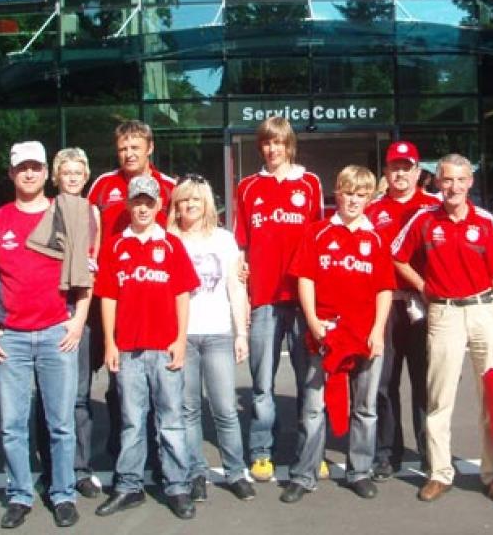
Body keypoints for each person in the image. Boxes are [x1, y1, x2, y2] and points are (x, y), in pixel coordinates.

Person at [0, 141, 89, 529]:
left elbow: (86, 275)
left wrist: (77, 322)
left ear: (45, 173)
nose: (30, 173)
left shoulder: (65, 215)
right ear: (11, 173)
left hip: (57, 333)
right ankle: (20, 495)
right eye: (22, 168)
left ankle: (63, 494)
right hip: (13, 338)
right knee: (12, 425)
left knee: (61, 423)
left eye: (36, 167)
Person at [391, 154, 493, 506]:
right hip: (444, 314)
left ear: (470, 182)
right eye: (447, 180)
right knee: (438, 398)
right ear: (436, 182)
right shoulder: (425, 220)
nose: (453, 187)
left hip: (483, 312)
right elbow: (397, 256)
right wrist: (423, 286)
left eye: (460, 180)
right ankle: (440, 473)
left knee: (491, 398)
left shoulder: (485, 221)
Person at [281, 165, 394, 504]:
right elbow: (306, 279)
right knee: (314, 408)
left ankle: (359, 471)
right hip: (326, 332)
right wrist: (313, 320)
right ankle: (304, 475)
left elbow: (384, 289)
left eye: (361, 195)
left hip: (364, 334)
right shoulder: (316, 233)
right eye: (348, 193)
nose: (353, 200)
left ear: (369, 197)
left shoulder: (375, 238)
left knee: (365, 406)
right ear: (337, 193)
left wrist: (378, 331)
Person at [93, 176, 199, 521]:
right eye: (136, 201)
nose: (142, 207)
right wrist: (110, 342)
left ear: (158, 206)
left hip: (164, 347)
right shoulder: (115, 246)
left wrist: (180, 339)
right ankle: (129, 485)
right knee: (131, 422)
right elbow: (108, 297)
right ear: (128, 204)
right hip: (128, 349)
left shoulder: (170, 244)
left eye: (149, 202)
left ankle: (178, 486)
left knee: (171, 420)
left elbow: (182, 295)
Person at [235, 115, 324, 483]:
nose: (273, 149)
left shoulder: (310, 184)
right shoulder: (247, 187)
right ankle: (261, 452)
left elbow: (321, 240)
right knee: (262, 383)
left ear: (290, 145)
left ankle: (310, 453)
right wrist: (241, 274)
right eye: (267, 143)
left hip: (302, 299)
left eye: (279, 143)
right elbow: (241, 245)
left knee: (309, 381)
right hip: (265, 298)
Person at [87, 119, 176, 456]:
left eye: (135, 147)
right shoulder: (102, 186)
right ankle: (120, 439)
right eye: (123, 148)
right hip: (114, 292)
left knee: (159, 371)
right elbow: (87, 231)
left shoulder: (168, 186)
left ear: (149, 148)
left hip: (156, 294)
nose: (128, 153)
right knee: (118, 370)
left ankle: (157, 446)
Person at [169, 173, 256, 502]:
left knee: (224, 409)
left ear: (207, 204)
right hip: (182, 336)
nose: (190, 205)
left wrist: (241, 333)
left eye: (196, 199)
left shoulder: (223, 239)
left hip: (218, 332)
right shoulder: (168, 238)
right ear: (175, 205)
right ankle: (196, 473)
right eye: (184, 199)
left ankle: (236, 472)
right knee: (188, 409)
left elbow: (236, 287)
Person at [365, 141, 440, 479]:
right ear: (386, 170)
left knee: (424, 382)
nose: (400, 173)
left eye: (406, 167)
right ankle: (386, 453)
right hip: (386, 304)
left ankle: (429, 453)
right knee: (384, 383)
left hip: (423, 303)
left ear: (417, 171)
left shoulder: (433, 207)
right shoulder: (373, 210)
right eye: (394, 166)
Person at [33, 148, 103, 500]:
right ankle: (49, 471)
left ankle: (80, 470)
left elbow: (94, 262)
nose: (73, 177)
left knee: (78, 397)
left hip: (81, 315)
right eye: (67, 172)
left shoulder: (92, 212)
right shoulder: (45, 211)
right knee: (47, 399)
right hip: (47, 314)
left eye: (78, 172)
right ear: (56, 176)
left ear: (85, 175)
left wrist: (79, 318)